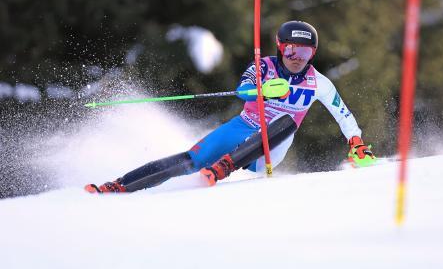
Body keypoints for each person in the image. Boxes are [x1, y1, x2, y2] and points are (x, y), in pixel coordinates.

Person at [85, 20, 376, 193]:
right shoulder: (264, 67)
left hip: (271, 146)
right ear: (280, 47)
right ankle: (121, 185)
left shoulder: (319, 83)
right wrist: (261, 90)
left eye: (303, 51)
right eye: (290, 49)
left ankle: (225, 167)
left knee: (287, 123)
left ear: (312, 54)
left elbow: (343, 113)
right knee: (191, 159)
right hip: (243, 128)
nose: (296, 57)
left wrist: (356, 142)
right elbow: (242, 90)